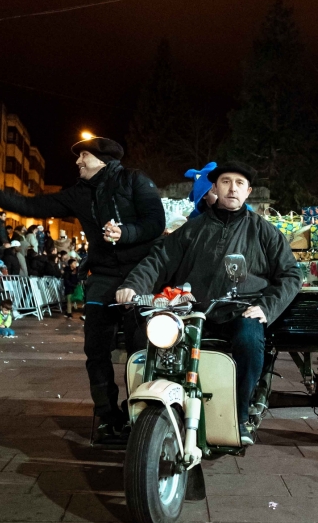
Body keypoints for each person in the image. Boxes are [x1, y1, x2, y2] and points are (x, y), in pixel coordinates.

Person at [0, 135, 166, 444]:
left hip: (143, 274)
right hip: (103, 277)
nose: (78, 162)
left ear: (103, 160)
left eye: (84, 156)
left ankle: (139, 414)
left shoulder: (134, 180)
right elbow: (31, 205)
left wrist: (126, 232)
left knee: (141, 349)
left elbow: (155, 222)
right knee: (96, 350)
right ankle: (108, 418)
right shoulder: (79, 193)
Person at [117, 161, 302, 445]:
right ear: (214, 188)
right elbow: (159, 261)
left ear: (248, 191)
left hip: (241, 312)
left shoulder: (264, 232)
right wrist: (132, 286)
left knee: (250, 342)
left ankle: (238, 417)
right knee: (145, 336)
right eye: (226, 182)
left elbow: (291, 274)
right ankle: (143, 408)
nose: (232, 188)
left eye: (240, 183)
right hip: (193, 311)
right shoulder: (192, 229)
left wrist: (266, 307)